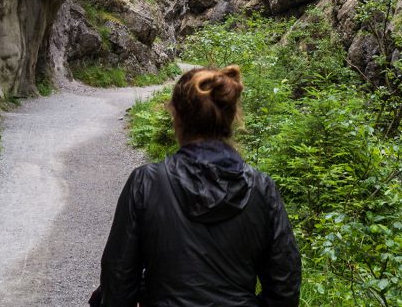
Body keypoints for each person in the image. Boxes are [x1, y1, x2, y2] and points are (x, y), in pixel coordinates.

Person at [97, 65, 301, 307]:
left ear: (177, 116)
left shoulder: (146, 182)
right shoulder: (262, 189)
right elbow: (284, 285)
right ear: (232, 116)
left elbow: (118, 278)